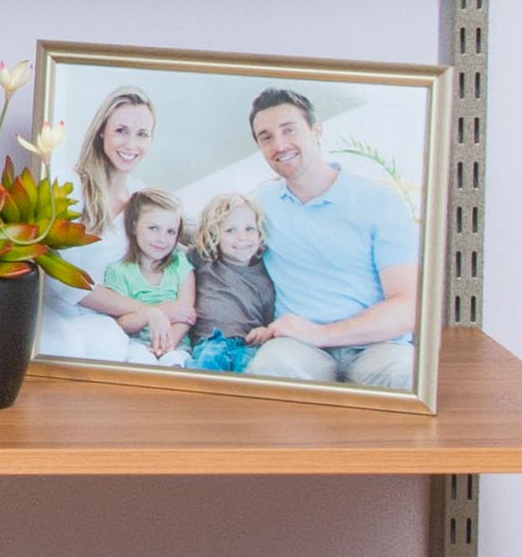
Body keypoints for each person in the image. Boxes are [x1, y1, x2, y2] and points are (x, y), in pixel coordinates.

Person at [237, 83, 422, 389]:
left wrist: (324, 334)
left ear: (316, 130)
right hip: (298, 349)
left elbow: (408, 306)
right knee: (272, 368)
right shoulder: (261, 205)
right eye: (265, 137)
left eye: (289, 130)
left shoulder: (379, 202)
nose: (279, 145)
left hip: (378, 346)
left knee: (406, 373)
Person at [49, 86, 167, 360]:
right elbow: (64, 281)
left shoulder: (144, 198)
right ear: (102, 130)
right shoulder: (70, 185)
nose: (131, 145)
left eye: (142, 135)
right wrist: (142, 309)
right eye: (121, 131)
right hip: (59, 314)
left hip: (111, 320)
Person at [185, 191, 277, 372]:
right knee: (206, 369)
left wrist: (265, 332)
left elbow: (271, 320)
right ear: (214, 235)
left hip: (248, 345)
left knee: (250, 377)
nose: (242, 238)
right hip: (210, 341)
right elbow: (178, 229)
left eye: (249, 229)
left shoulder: (266, 274)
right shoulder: (203, 260)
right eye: (230, 230)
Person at [100, 189, 194, 359]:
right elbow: (121, 324)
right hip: (137, 344)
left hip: (176, 344)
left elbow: (186, 316)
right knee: (139, 359)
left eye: (170, 231)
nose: (162, 239)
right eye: (153, 228)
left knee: (174, 361)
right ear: (135, 227)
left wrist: (167, 344)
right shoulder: (119, 271)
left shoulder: (180, 264)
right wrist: (154, 314)